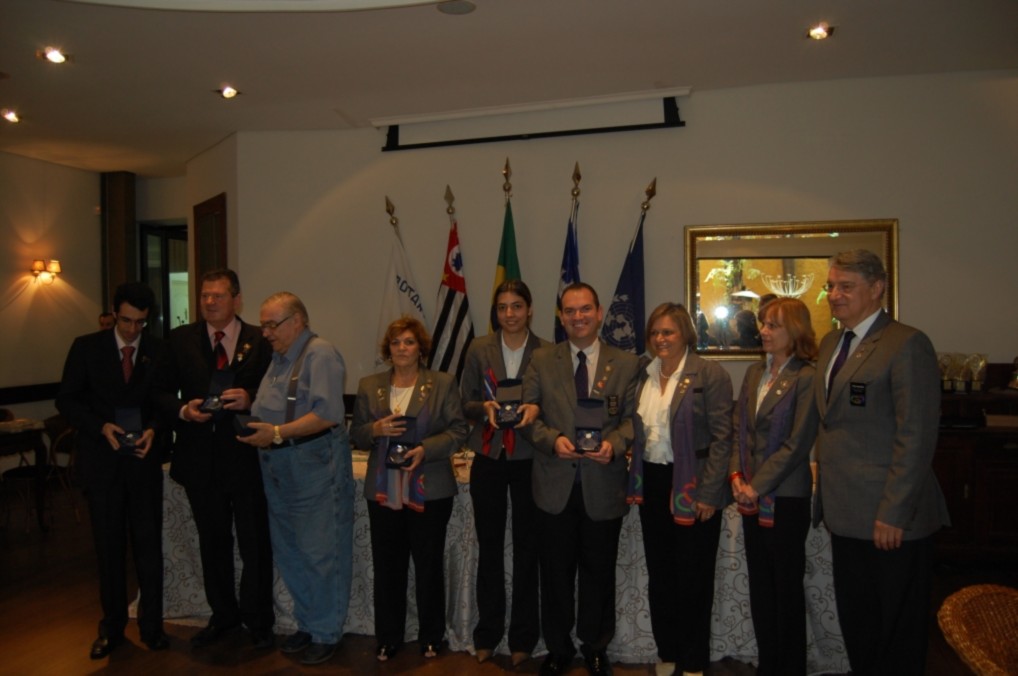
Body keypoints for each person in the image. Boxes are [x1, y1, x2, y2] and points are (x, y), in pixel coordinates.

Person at [814, 249, 948, 675]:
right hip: (844, 512)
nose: (835, 295)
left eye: (846, 286)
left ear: (877, 288)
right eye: (831, 286)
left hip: (890, 519)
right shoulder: (831, 343)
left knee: (897, 633)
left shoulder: (906, 343)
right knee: (860, 625)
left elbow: (916, 436)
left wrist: (893, 512)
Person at [521, 282, 640, 676]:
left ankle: (595, 645)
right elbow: (528, 414)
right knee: (555, 574)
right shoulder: (541, 360)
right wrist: (551, 440)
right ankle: (558, 648)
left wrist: (614, 445)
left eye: (585, 309)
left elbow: (633, 420)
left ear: (599, 312)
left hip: (603, 485)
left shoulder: (627, 363)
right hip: (553, 486)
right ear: (561, 316)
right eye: (570, 310)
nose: (578, 317)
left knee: (598, 573)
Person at [155, 269, 275, 650]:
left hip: (247, 456)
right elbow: (158, 392)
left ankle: (258, 620)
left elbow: (279, 389)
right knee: (213, 543)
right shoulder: (180, 339)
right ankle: (223, 615)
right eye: (205, 295)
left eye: (218, 296)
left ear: (236, 299)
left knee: (255, 543)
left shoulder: (261, 339)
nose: (209, 302)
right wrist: (183, 410)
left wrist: (251, 397)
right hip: (199, 459)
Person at [237, 292, 355, 665]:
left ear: (297, 321)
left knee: (321, 554)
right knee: (291, 553)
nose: (265, 333)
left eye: (272, 325)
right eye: (263, 325)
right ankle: (308, 623)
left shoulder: (320, 354)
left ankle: (326, 631)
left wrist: (275, 433)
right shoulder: (278, 359)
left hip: (313, 465)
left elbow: (328, 414)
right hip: (278, 466)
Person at [56, 282, 168, 659]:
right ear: (113, 314)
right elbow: (66, 400)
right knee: (108, 551)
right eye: (126, 321)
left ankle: (152, 626)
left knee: (149, 550)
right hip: (102, 465)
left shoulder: (158, 350)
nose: (133, 330)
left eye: (140, 322)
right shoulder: (87, 348)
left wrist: (154, 429)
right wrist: (98, 426)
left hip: (142, 464)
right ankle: (112, 628)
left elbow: (164, 402)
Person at [350, 316, 468, 662]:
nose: (402, 348)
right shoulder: (369, 385)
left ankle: (431, 636)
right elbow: (356, 435)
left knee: (428, 565)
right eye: (396, 342)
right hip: (383, 490)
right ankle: (388, 637)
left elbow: (458, 431)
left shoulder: (443, 383)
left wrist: (425, 449)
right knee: (388, 566)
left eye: (409, 342)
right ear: (388, 349)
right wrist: (375, 430)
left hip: (429, 487)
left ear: (421, 349)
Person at [625, 302, 733, 676]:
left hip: (694, 486)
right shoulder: (644, 373)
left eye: (668, 331)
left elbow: (722, 438)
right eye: (655, 332)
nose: (660, 339)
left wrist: (709, 493)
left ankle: (693, 660)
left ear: (685, 333)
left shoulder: (710, 373)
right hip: (653, 483)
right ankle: (668, 652)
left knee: (693, 578)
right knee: (661, 576)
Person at [461, 280, 548, 665]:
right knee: (490, 546)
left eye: (516, 306)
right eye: (502, 307)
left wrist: (537, 410)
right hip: (489, 456)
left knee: (528, 549)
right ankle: (487, 632)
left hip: (530, 457)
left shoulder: (546, 351)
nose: (509, 314)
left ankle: (523, 637)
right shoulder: (479, 348)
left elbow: (554, 402)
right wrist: (484, 409)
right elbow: (464, 402)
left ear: (530, 310)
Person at [729, 298, 818, 676]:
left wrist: (757, 485)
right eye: (763, 324)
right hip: (750, 495)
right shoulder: (755, 373)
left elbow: (797, 444)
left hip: (787, 498)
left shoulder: (807, 377)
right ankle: (769, 665)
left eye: (772, 325)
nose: (763, 331)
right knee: (761, 588)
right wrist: (737, 476)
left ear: (794, 331)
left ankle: (791, 668)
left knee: (785, 589)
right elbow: (739, 430)